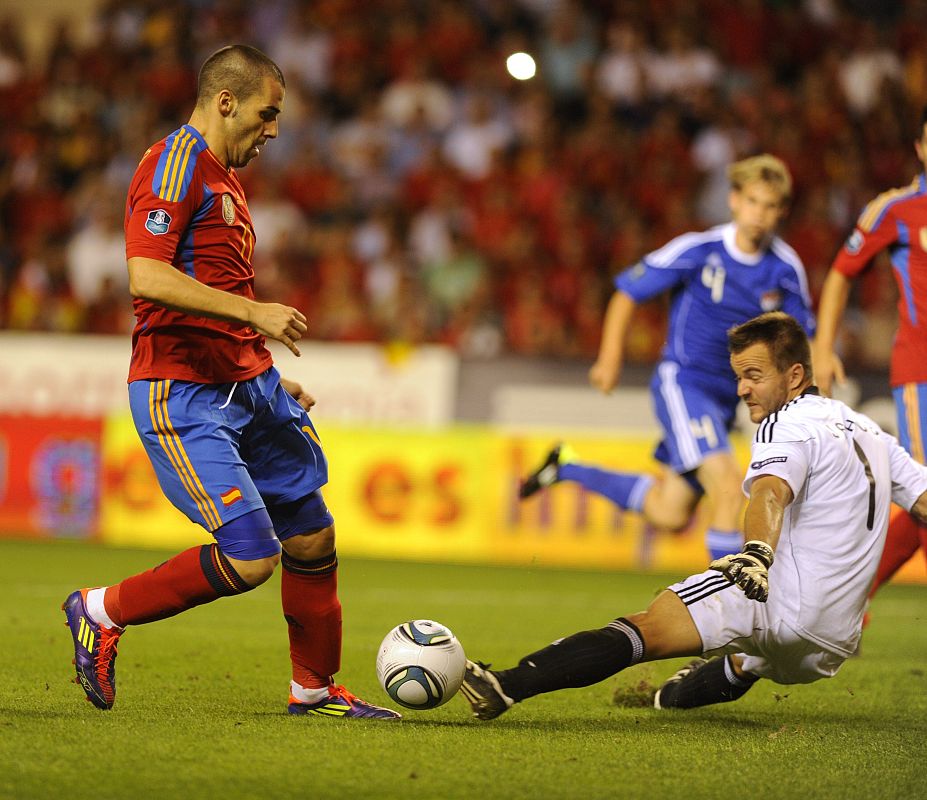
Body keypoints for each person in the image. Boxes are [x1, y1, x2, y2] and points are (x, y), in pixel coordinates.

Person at [62, 44, 400, 720]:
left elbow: (217, 287)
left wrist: (266, 373)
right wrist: (255, 314)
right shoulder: (174, 164)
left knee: (312, 537)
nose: (272, 129)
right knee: (251, 558)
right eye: (266, 113)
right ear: (226, 101)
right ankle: (100, 611)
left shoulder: (225, 180)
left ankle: (313, 687)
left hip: (247, 384)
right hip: (182, 390)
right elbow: (146, 277)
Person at [461, 312, 927, 720]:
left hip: (784, 607)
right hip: (834, 642)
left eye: (754, 374)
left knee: (648, 627)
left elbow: (770, 491)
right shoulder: (872, 433)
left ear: (795, 374)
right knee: (747, 658)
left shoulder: (786, 424)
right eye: (738, 376)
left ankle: (505, 685)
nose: (742, 389)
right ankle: (671, 696)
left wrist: (756, 554)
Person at [520, 155, 815, 561]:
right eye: (752, 201)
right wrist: (609, 357)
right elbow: (627, 292)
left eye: (769, 206)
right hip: (685, 383)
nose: (758, 214)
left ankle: (565, 467)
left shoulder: (785, 268)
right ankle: (726, 606)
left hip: (731, 397)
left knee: (670, 511)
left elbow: (804, 338)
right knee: (729, 487)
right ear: (733, 200)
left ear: (781, 211)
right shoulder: (699, 250)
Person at [813, 106, 927, 602]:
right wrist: (823, 347)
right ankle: (843, 599)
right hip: (920, 373)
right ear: (921, 149)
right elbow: (841, 272)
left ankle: (847, 597)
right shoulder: (895, 210)